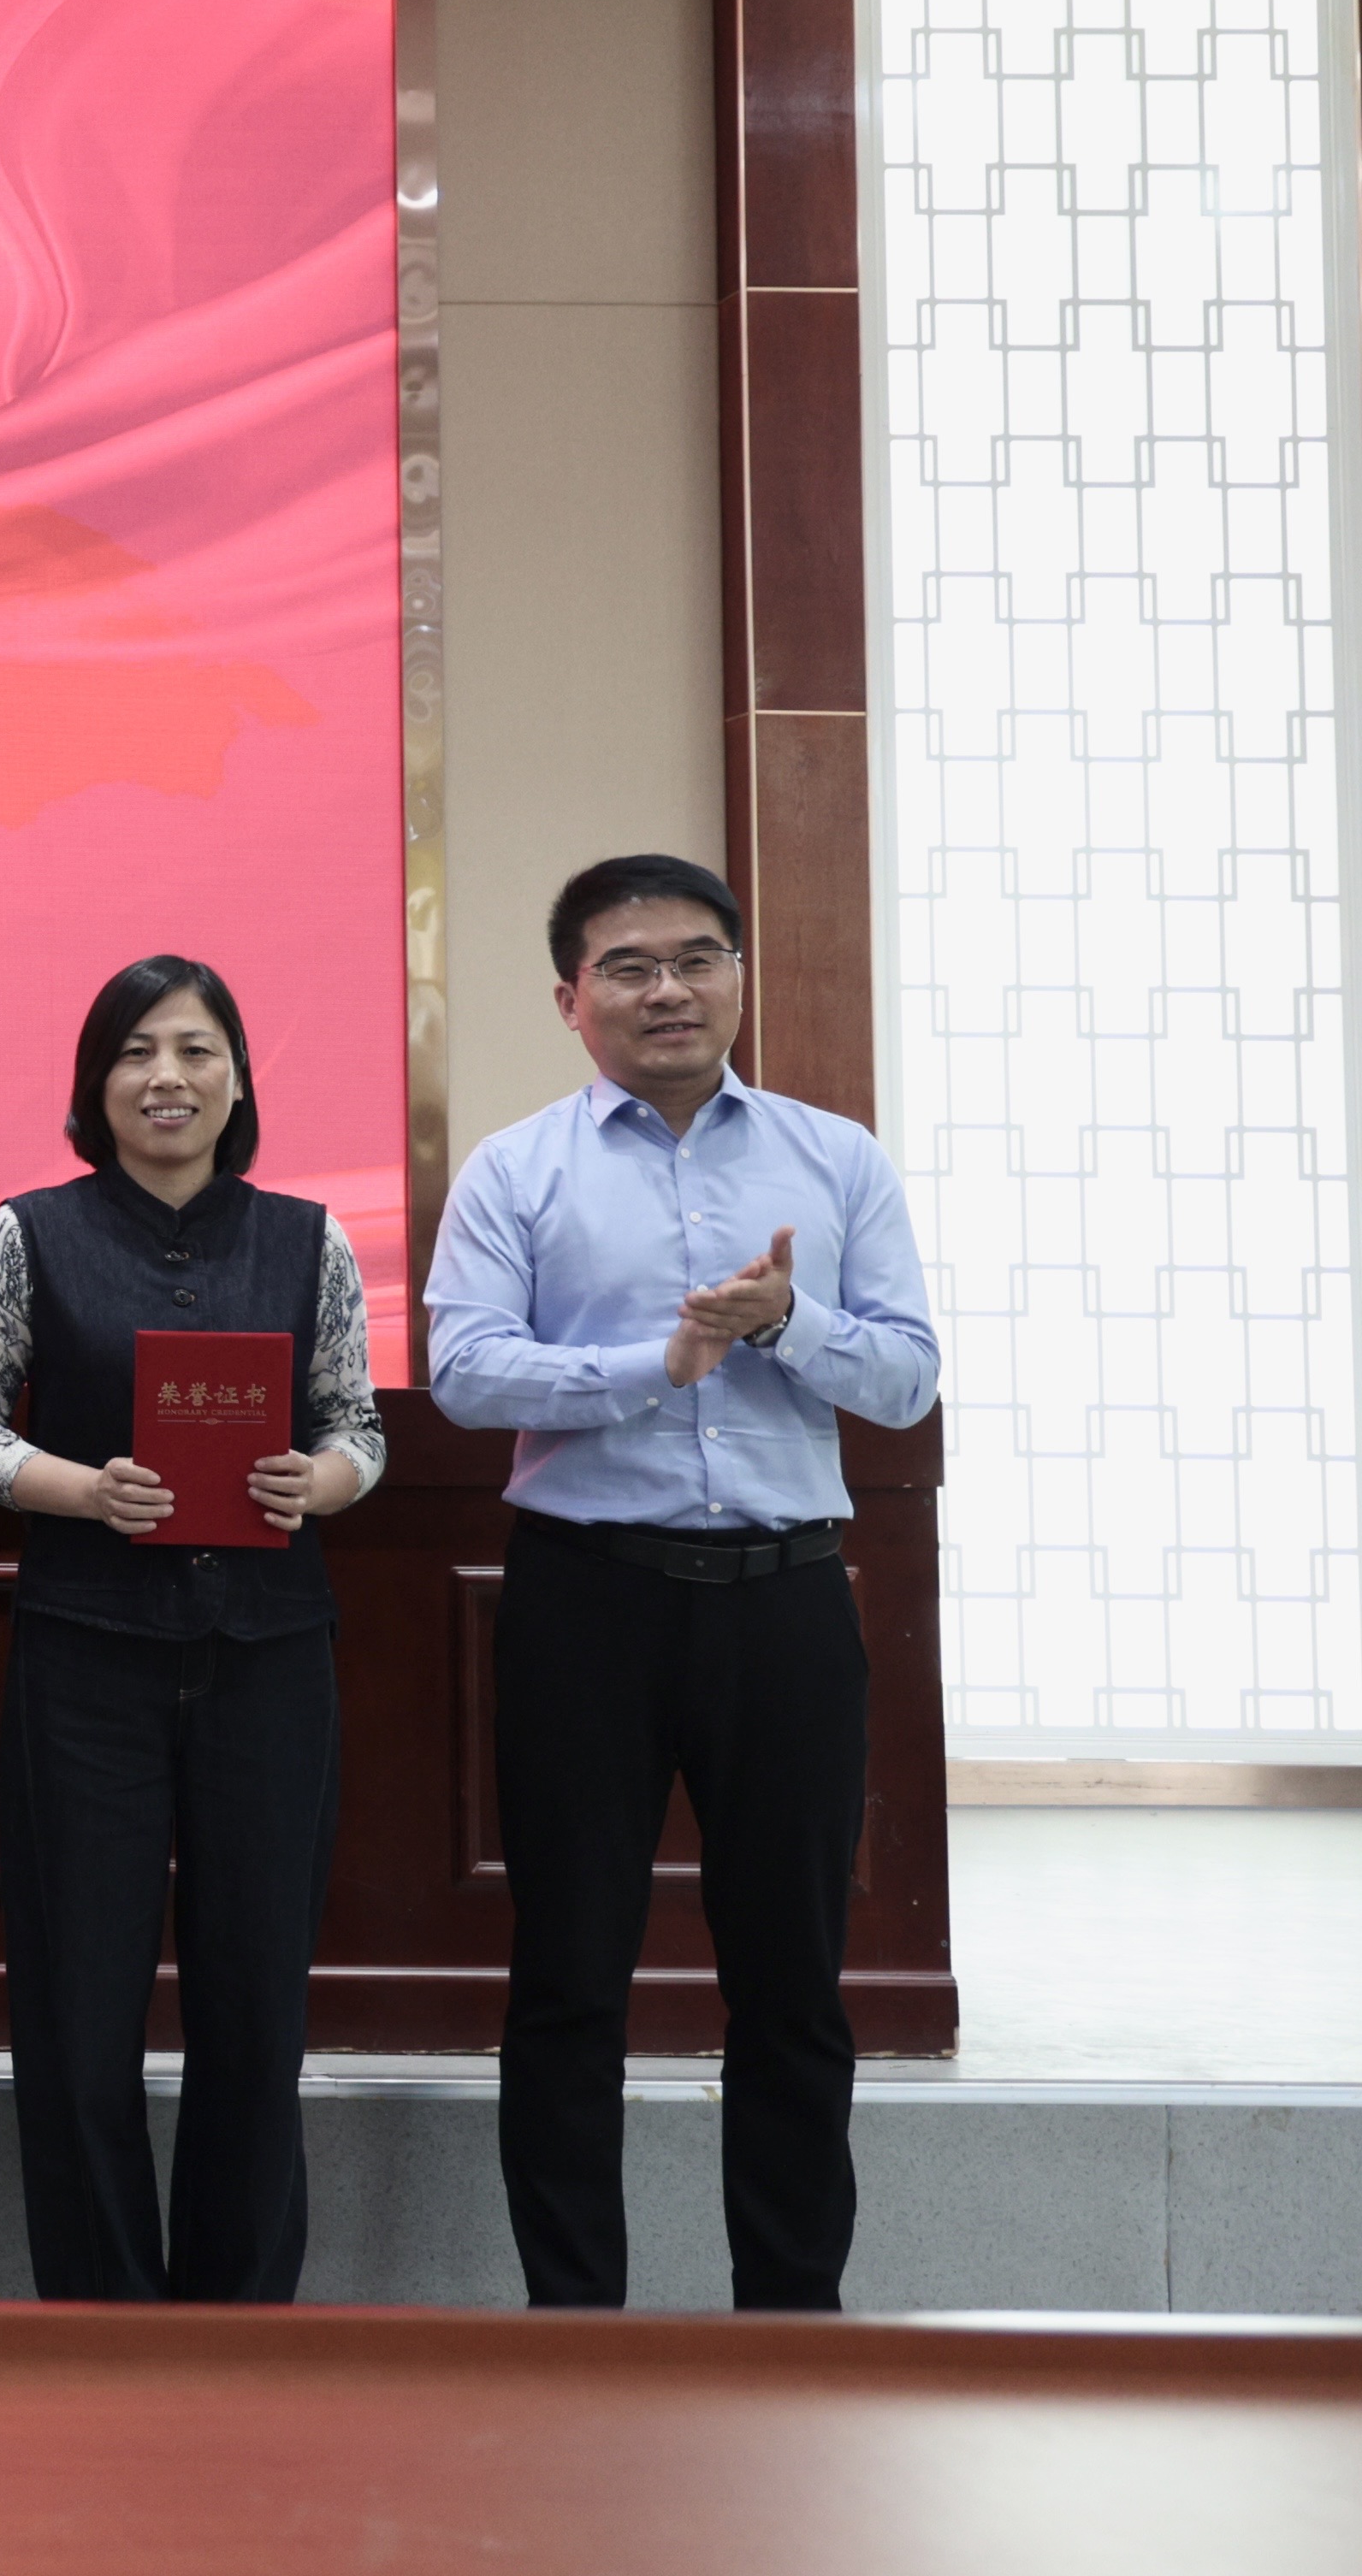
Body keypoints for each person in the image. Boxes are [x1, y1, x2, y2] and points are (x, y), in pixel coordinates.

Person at [428, 851, 941, 2311]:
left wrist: (786, 1324)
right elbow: (465, 1371)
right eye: (632, 966)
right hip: (586, 1599)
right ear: (571, 999)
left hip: (787, 1602)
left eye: (698, 958)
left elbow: (906, 1380)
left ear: (738, 976)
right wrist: (651, 1366)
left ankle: (791, 2314)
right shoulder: (516, 1169)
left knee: (792, 1981)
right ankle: (574, 2319)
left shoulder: (835, 1159)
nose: (670, 989)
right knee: (570, 1974)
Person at [0, 955, 383, 2304]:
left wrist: (322, 1483)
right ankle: (100, 2313)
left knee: (256, 2003)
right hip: (87, 1657)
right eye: (136, 1052)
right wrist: (80, 1490)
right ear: (97, 1084)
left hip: (269, 1657)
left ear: (237, 1079)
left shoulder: (310, 1238)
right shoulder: (29, 1233)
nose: (166, 1077)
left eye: (194, 1050)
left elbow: (358, 1425)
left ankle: (241, 2317)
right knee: (80, 2005)